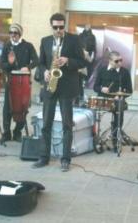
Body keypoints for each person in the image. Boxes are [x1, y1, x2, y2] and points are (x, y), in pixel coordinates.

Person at [32, 13, 86, 172]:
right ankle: (44, 157)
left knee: (67, 125)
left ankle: (65, 159)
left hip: (67, 88)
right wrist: (44, 73)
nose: (58, 30)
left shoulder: (74, 40)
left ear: (65, 26)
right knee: (46, 124)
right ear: (51, 26)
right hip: (50, 86)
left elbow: (82, 62)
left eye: (61, 27)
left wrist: (67, 60)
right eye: (55, 27)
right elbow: (40, 63)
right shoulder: (45, 41)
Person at [1, 23, 38, 142]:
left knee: (22, 107)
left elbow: (36, 60)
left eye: (15, 33)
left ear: (20, 34)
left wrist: (28, 67)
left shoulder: (28, 46)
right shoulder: (7, 46)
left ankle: (17, 131)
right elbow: (2, 64)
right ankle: (6, 133)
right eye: (10, 33)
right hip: (11, 80)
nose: (12, 35)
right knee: (7, 107)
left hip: (24, 81)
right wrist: (10, 64)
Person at [93, 51, 133, 152]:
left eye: (121, 60)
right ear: (110, 61)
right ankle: (96, 139)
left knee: (119, 117)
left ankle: (116, 141)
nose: (120, 63)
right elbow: (95, 86)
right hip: (103, 100)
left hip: (117, 101)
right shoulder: (102, 70)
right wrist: (102, 89)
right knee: (94, 116)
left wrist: (119, 96)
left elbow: (129, 90)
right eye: (117, 61)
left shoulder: (124, 72)